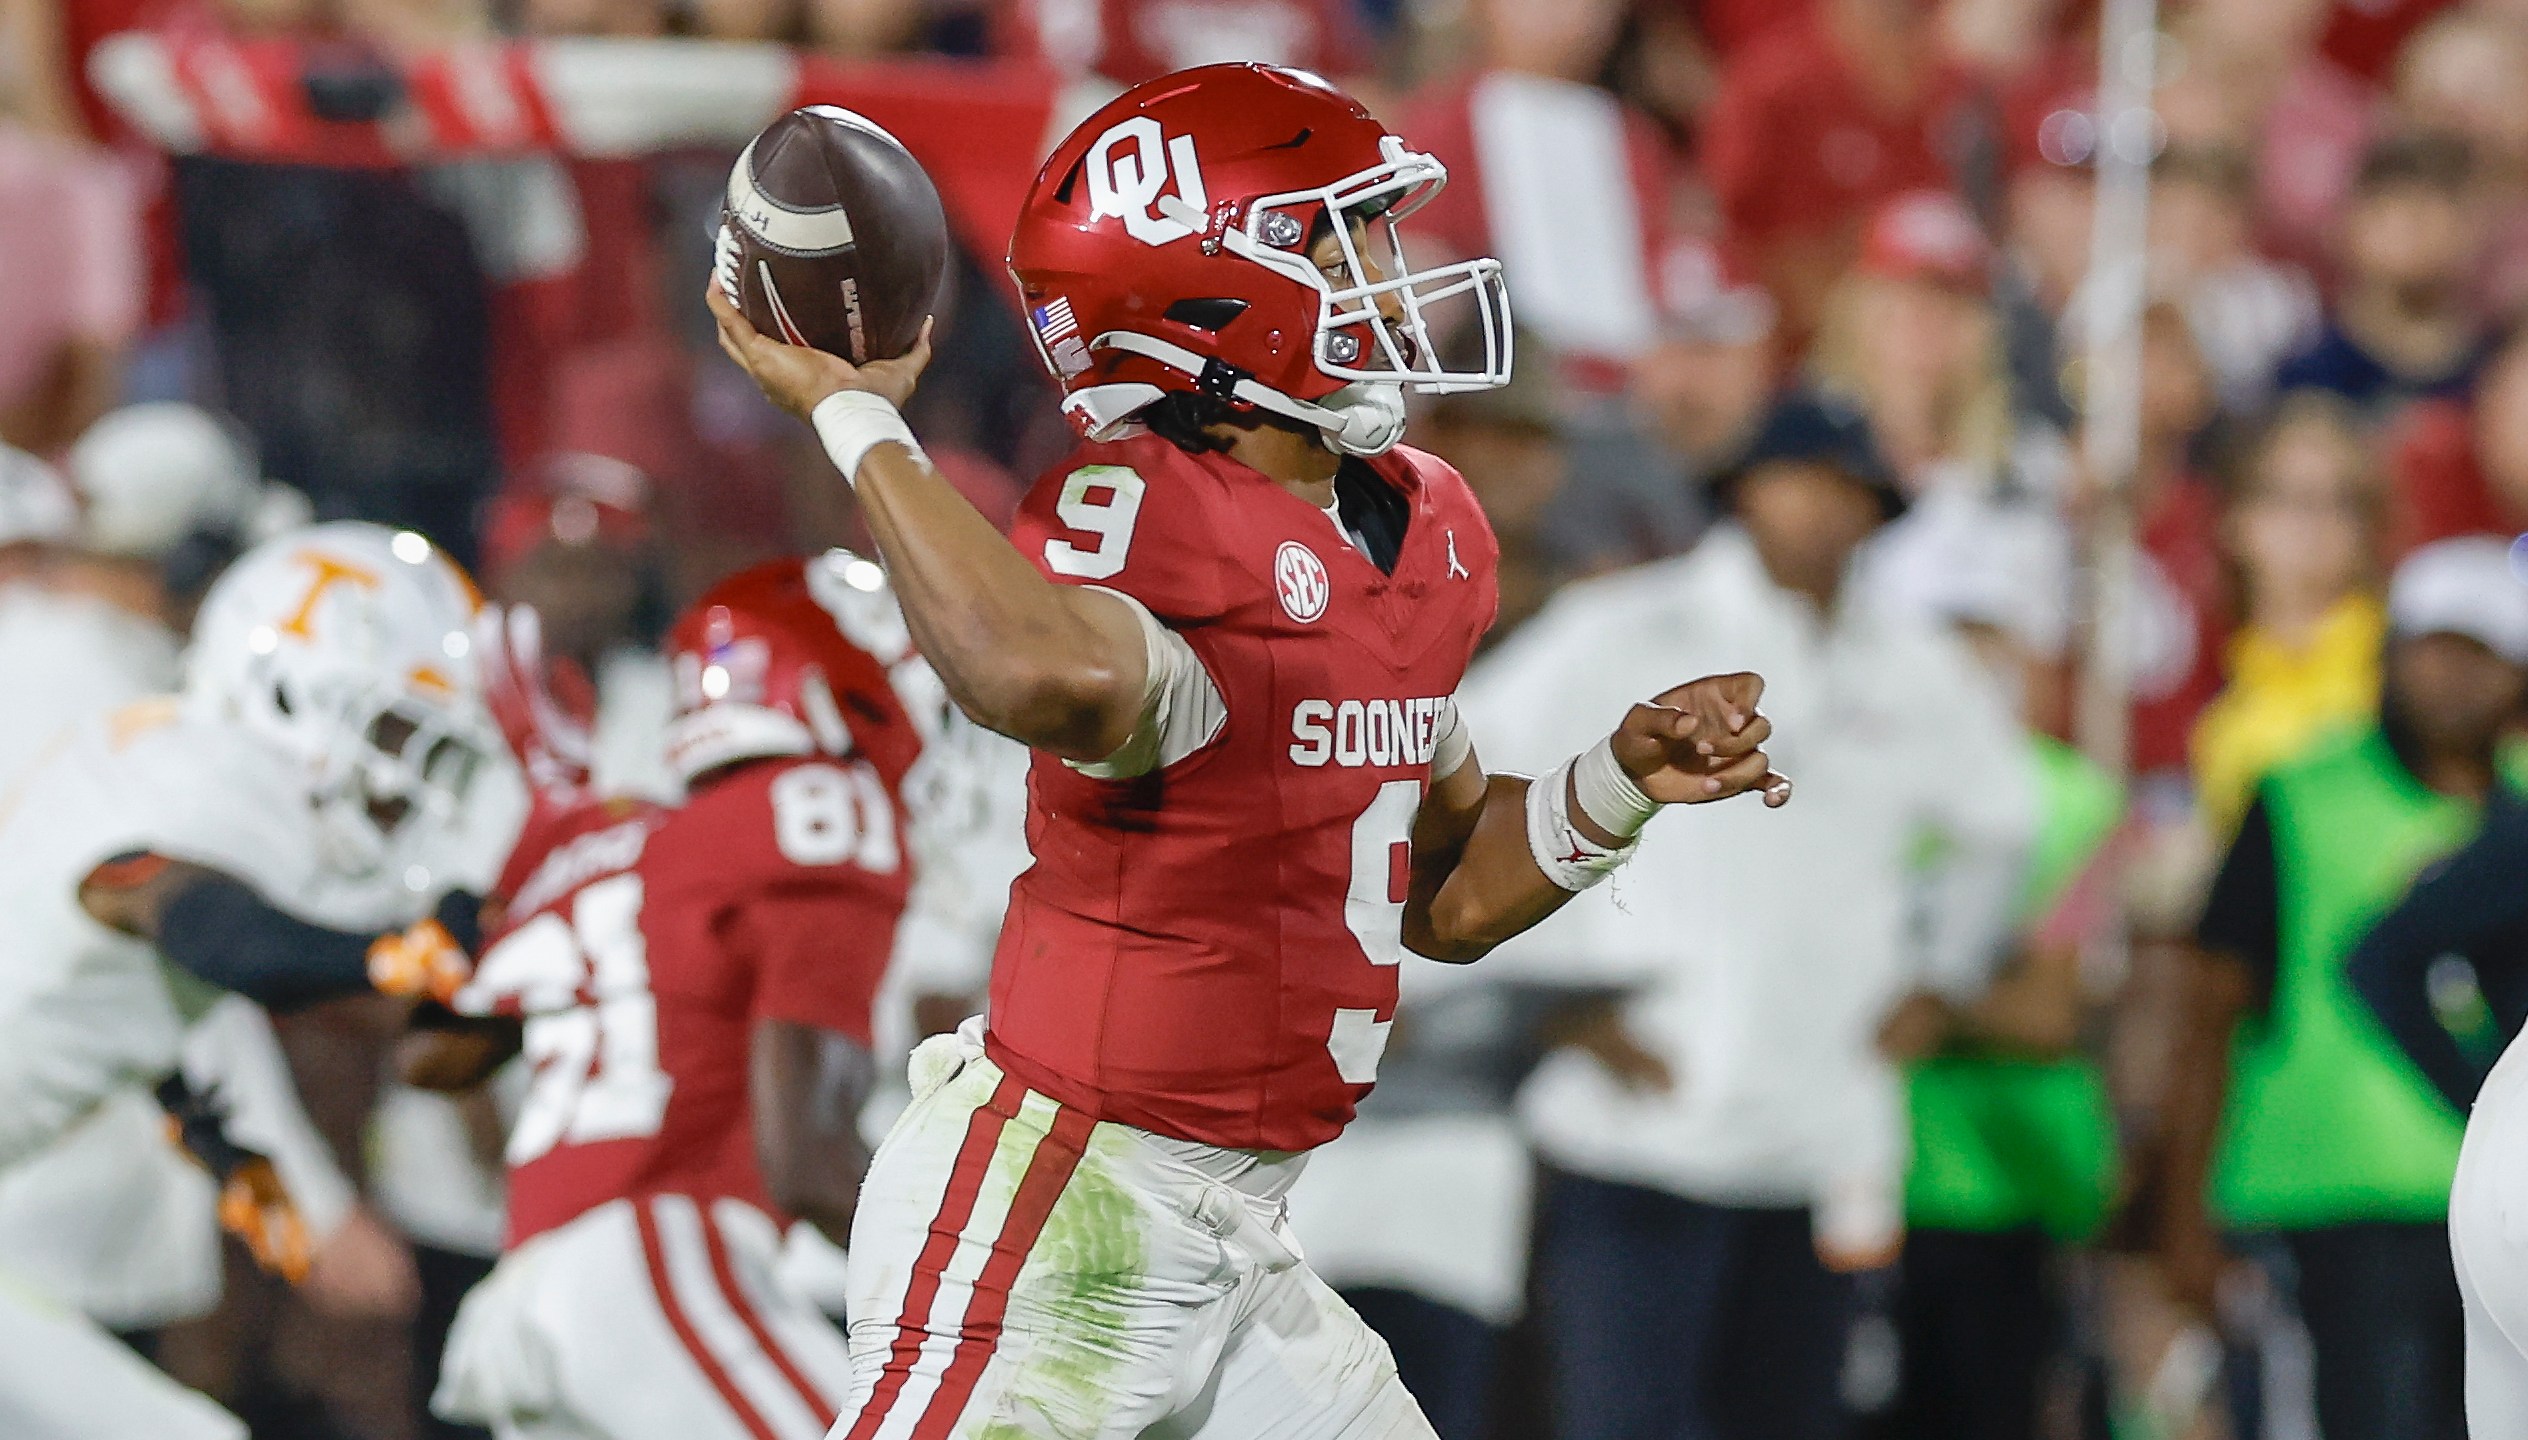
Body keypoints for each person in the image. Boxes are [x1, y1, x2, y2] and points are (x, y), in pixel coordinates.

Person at [707, 61, 1793, 1439]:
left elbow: (1439, 885)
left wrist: (1615, 785)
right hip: (1062, 1207)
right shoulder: (1151, 514)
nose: (1391, 283)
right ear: (1207, 295)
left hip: (1239, 1228)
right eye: (1341, 244)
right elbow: (1024, 667)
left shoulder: (1421, 524)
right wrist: (855, 411)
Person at [1463, 391, 2034, 1440]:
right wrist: (1547, 1003)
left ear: (1876, 512)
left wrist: (1940, 978)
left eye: (1846, 490)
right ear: (1740, 494)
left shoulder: (1910, 667)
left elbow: (2003, 825)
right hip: (1632, 1130)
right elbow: (1465, 780)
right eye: (1797, 481)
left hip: (1819, 1140)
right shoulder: (1625, 630)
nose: (1820, 510)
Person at [0, 520, 505, 1440]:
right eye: (393, 730)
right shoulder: (192, 772)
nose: (407, 784)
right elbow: (201, 929)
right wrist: (398, 955)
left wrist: (267, 1182)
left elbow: (154, 1018)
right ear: (284, 687)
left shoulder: (166, 769)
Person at [420, 554, 933, 1440]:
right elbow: (804, 1159)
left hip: (524, 1294)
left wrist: (514, 863)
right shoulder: (812, 811)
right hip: (656, 1253)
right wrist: (999, 1287)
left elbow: (431, 1053)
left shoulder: (617, 840)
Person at [2161, 535, 2528, 1440]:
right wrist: (2183, 1212)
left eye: (2479, 653)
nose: (2451, 676)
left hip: (2501, 1209)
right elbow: (2211, 1008)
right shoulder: (2297, 794)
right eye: (2432, 647)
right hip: (2332, 1209)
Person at [2190, 394, 2389, 837]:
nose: (2314, 521)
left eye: (2340, 500)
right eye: (2292, 496)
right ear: (2237, 521)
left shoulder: (2392, 676)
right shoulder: (2225, 713)